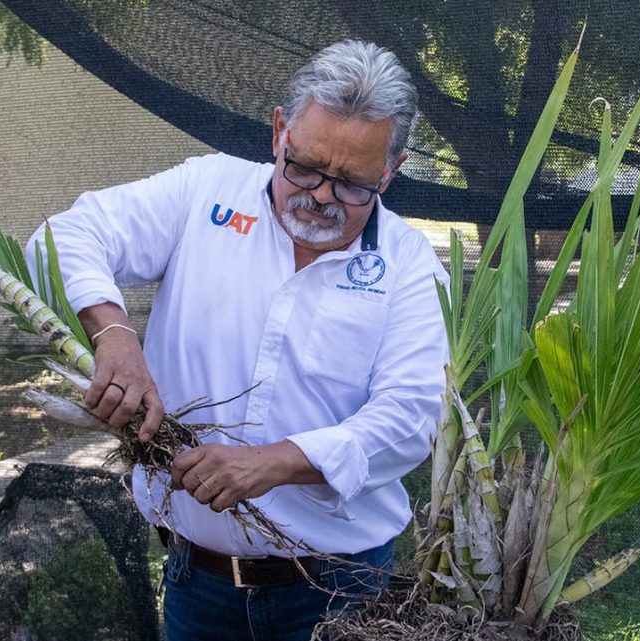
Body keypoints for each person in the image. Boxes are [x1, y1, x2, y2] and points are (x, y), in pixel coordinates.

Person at [28, 40, 448, 641]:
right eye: (303, 166)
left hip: (342, 592)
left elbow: (411, 421)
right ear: (280, 131)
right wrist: (115, 335)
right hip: (198, 587)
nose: (321, 195)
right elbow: (65, 236)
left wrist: (270, 464)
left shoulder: (409, 266)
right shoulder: (208, 192)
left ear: (392, 169)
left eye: (353, 183)